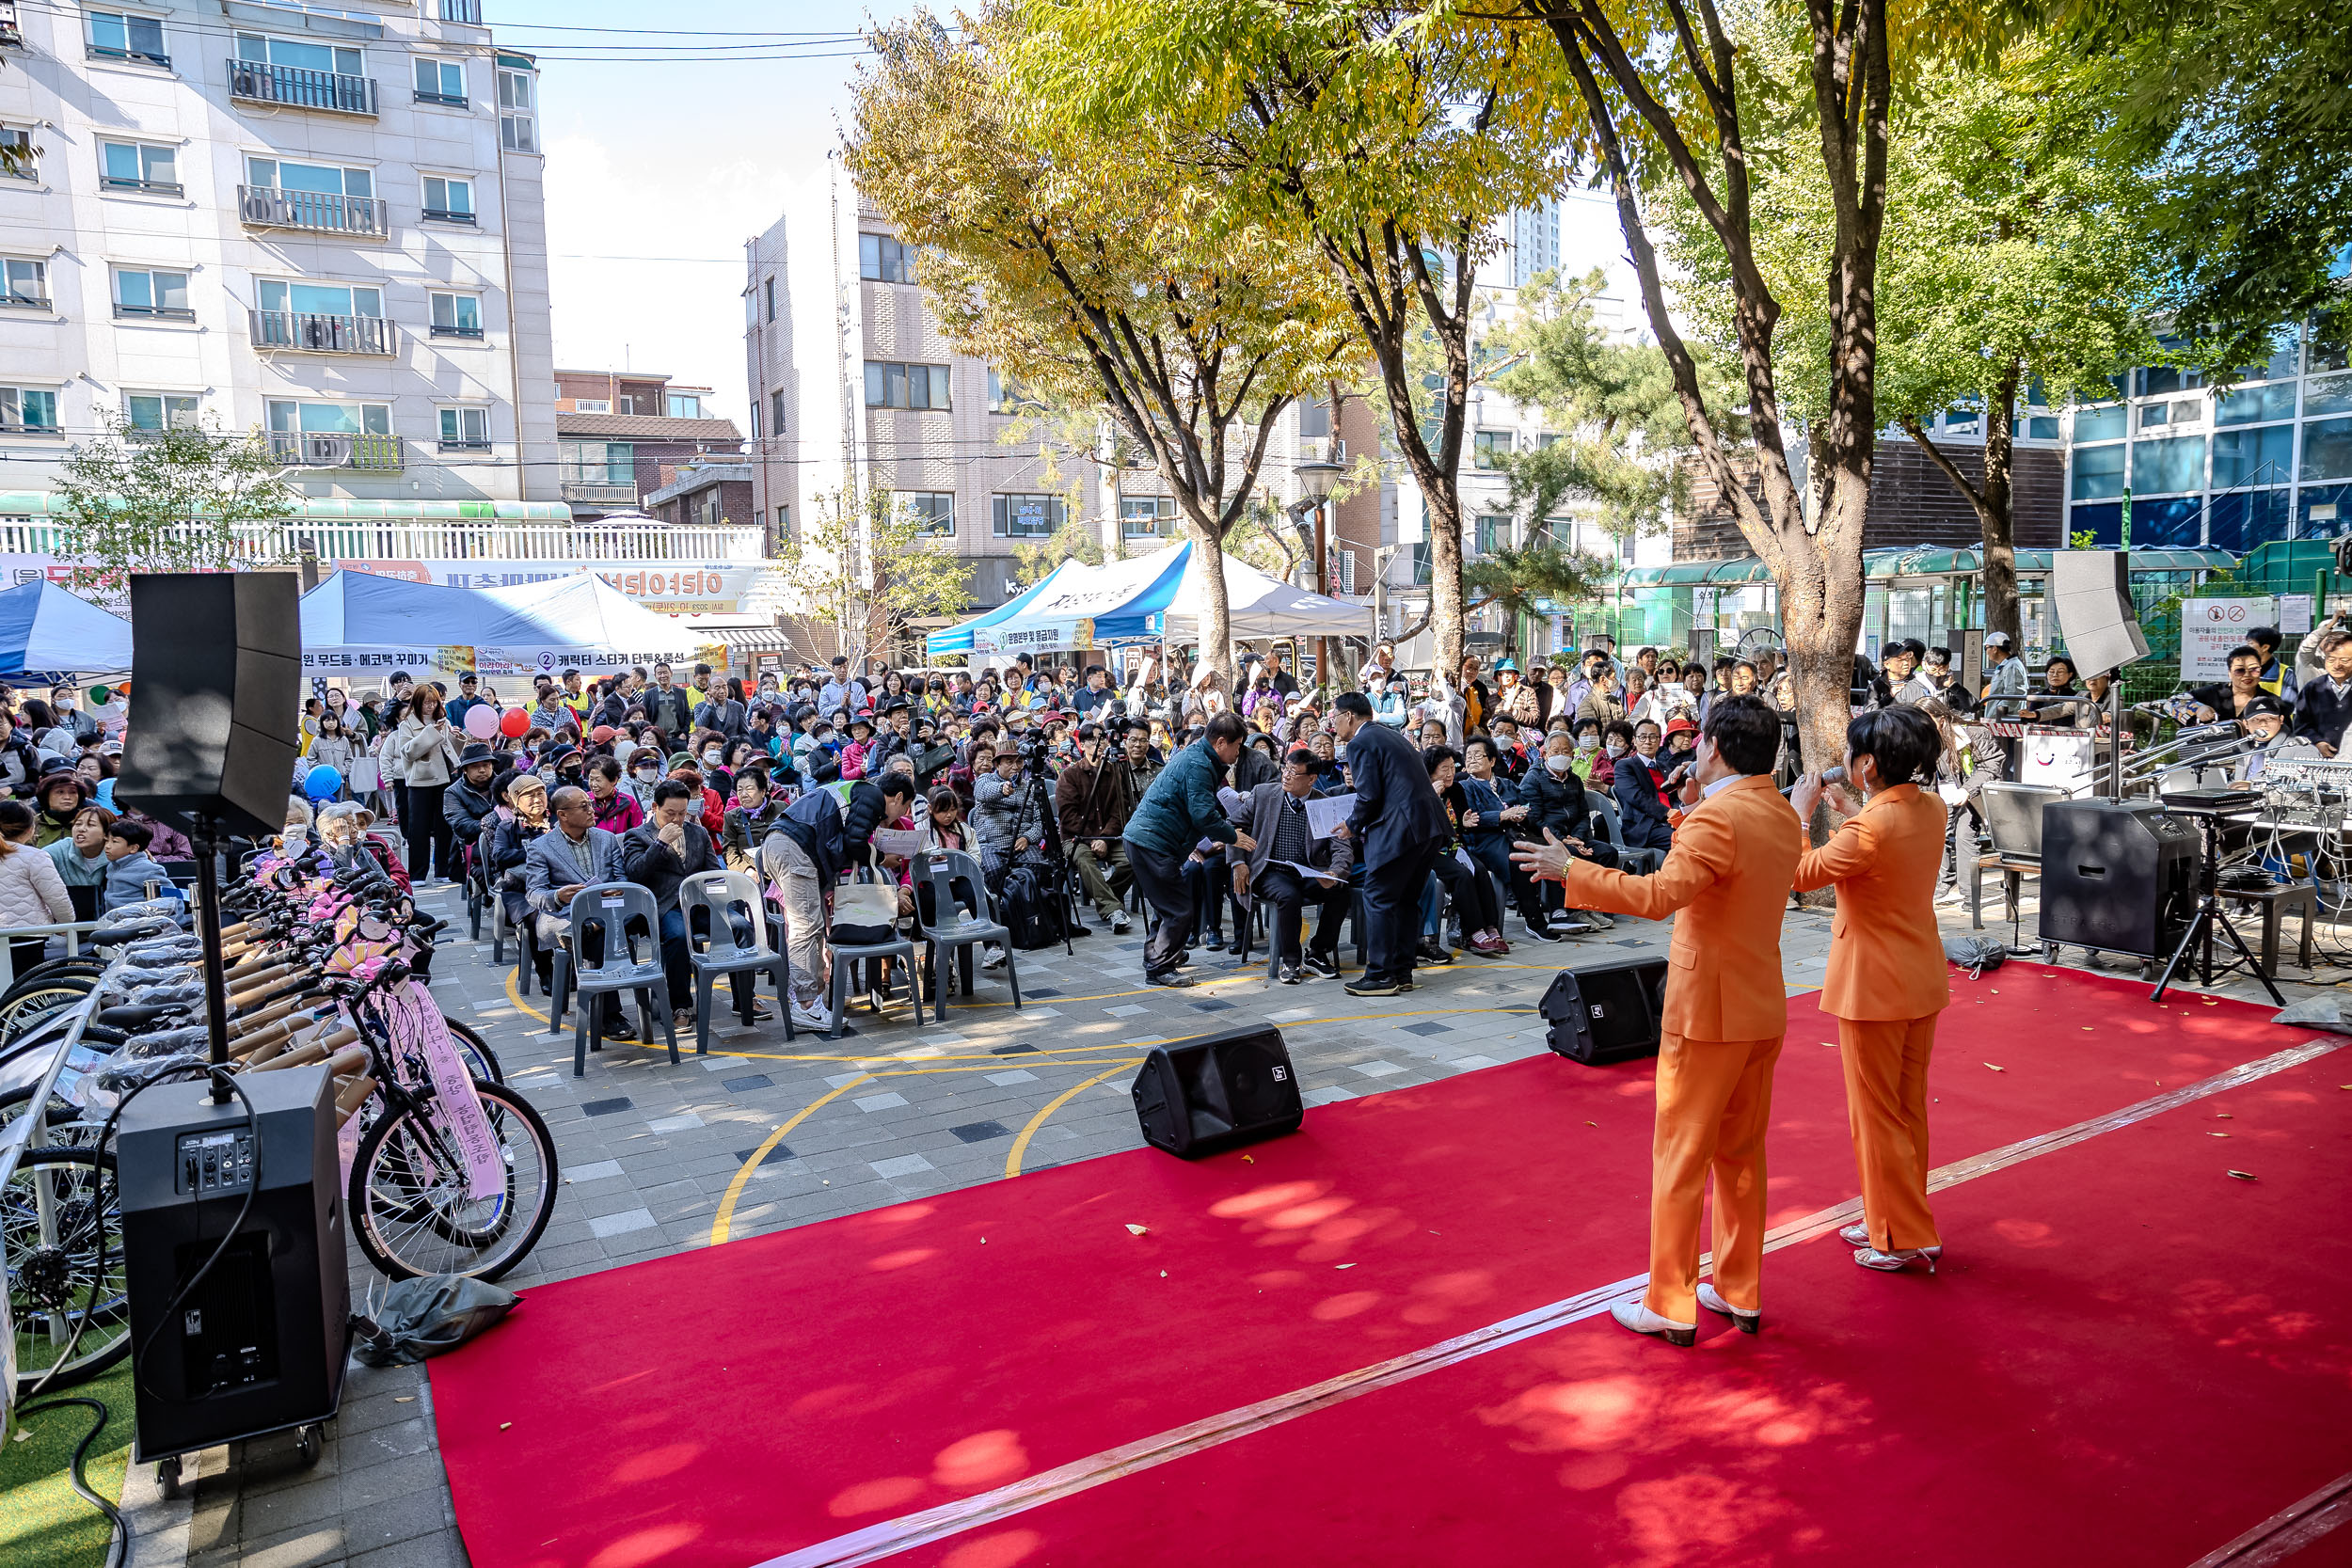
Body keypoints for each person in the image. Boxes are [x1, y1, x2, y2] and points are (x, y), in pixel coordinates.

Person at [1510, 695, 1802, 1346]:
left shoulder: (1719, 815)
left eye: (1700, 740)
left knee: (1680, 1158)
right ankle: (1737, 1287)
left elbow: (1656, 897)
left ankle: (1670, 1299)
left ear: (1715, 746)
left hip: (1707, 1011)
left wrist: (1572, 870)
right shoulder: (1779, 810)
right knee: (1741, 1156)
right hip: (1761, 1003)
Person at [1789, 707, 1952, 1273]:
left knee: (1877, 1115)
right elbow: (1888, 834)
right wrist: (1853, 809)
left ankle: (1897, 1234)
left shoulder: (1866, 831)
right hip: (1920, 977)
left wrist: (1799, 811)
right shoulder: (1931, 808)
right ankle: (1899, 1216)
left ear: (1866, 765)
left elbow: (1798, 874)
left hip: (1871, 986)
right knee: (1907, 1110)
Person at [1328, 690, 1451, 998]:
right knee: (1406, 899)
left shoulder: (1360, 742)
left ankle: (1381, 974)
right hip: (1427, 826)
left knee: (1379, 896)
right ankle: (1402, 970)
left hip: (1401, 828)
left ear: (1350, 716)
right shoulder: (1391, 735)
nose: (1333, 721)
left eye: (1335, 715)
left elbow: (1369, 795)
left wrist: (1352, 824)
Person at [1122, 712, 1255, 988]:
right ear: (1221, 743)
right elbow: (1202, 815)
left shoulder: (1199, 757)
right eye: (1237, 745)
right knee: (1179, 908)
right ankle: (1160, 968)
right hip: (1153, 842)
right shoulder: (1198, 764)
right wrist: (1233, 836)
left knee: (1167, 904)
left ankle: (1158, 955)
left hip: (1151, 841)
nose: (1238, 752)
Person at [624, 779, 763, 1023]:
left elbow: (712, 871)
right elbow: (635, 873)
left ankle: (744, 998)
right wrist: (660, 843)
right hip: (666, 907)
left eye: (682, 813)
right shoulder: (638, 836)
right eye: (670, 813)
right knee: (677, 936)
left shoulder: (697, 832)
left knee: (740, 926)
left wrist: (717, 895)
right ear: (655, 807)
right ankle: (681, 1006)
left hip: (701, 905)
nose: (677, 819)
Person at [1227, 746, 1356, 983]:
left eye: (1293, 772)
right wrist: (1237, 862)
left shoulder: (1324, 803)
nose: (1285, 775)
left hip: (1308, 872)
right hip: (1269, 871)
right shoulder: (1264, 794)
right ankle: (1291, 961)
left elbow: (1342, 847)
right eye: (1285, 768)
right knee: (1288, 896)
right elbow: (1232, 826)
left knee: (1340, 890)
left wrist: (1334, 872)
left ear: (1311, 779)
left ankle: (1317, 952)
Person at [524, 786, 635, 1037]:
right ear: (562, 815)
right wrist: (558, 896)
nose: (591, 809)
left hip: (609, 909)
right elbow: (534, 894)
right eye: (583, 806)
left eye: (589, 803)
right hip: (565, 916)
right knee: (600, 937)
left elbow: (621, 878)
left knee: (615, 922)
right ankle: (610, 1015)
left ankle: (593, 927)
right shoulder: (541, 847)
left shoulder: (605, 838)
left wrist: (615, 890)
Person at [1057, 722, 1135, 931]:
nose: (1099, 744)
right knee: (1083, 858)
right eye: (1092, 739)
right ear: (1082, 744)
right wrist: (1092, 839)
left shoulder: (1115, 771)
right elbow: (1068, 816)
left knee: (1134, 858)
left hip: (1109, 837)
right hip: (1077, 838)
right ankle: (1112, 910)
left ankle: (1105, 895)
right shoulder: (1070, 775)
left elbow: (1121, 812)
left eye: (1102, 738)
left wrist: (1105, 837)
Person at [390, 683, 461, 882]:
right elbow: (408, 752)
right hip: (419, 781)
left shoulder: (443, 721)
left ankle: (442, 871)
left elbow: (451, 752)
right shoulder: (406, 724)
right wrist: (431, 732)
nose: (430, 707)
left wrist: (457, 737)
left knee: (444, 826)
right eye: (426, 702)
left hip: (444, 778)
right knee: (418, 828)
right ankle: (417, 873)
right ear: (417, 702)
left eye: (434, 702)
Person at [46, 802, 113, 922]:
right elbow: (34, 861)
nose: (81, 829)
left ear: (107, 833)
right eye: (77, 824)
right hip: (69, 921)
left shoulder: (118, 852)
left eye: (91, 825)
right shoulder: (59, 850)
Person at [2294, 628, 2352, 756]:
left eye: (2344, 660)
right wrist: (2317, 741)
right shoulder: (2312, 688)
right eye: (2331, 660)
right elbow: (2301, 724)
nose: (2337, 665)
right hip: (2318, 759)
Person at [101, 814, 173, 912]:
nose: (107, 846)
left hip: (139, 923)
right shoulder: (111, 867)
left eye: (114, 841)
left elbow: (173, 899)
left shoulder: (149, 870)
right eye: (106, 841)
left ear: (133, 848)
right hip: (115, 922)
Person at [2191, 644, 2269, 724]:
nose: (2247, 675)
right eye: (2240, 670)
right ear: (2229, 673)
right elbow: (2178, 701)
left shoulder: (2271, 701)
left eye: (2254, 670)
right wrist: (2197, 708)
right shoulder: (2212, 693)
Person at [1979, 631, 2027, 718]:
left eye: (1986, 648)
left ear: (1994, 649)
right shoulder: (2007, 666)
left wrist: (1996, 713)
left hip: (2006, 720)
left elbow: (2013, 695)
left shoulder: (2012, 667)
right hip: (2001, 718)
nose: (1986, 652)